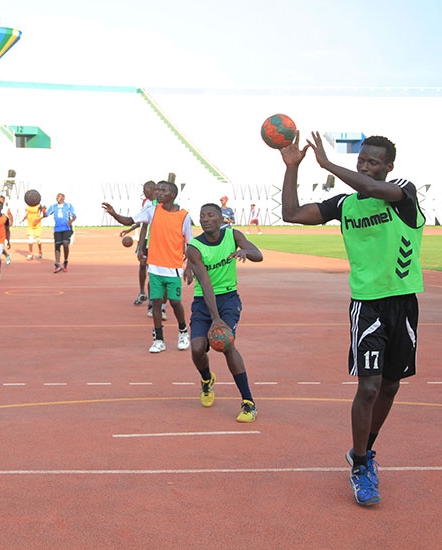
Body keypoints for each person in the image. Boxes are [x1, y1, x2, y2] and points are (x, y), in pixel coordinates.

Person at [280, 132, 425, 507]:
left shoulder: (403, 193)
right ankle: (360, 465)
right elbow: (292, 214)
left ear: (389, 167)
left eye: (373, 162)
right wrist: (292, 169)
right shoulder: (345, 204)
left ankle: (366, 449)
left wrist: (328, 165)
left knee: (391, 387)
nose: (365, 166)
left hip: (403, 304)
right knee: (369, 388)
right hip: (367, 305)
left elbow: (375, 189)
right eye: (362, 160)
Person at [185, 203, 262, 423]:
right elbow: (205, 283)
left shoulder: (233, 235)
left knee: (227, 344)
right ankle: (207, 380)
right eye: (202, 216)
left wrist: (247, 251)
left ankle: (248, 402)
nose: (205, 219)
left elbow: (259, 255)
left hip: (228, 298)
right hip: (204, 301)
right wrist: (215, 318)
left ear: (221, 219)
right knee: (198, 348)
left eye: (210, 215)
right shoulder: (194, 247)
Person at [103, 181, 192, 353]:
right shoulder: (151, 210)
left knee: (175, 302)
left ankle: (183, 331)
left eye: (162, 190)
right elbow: (130, 220)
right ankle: (158, 339)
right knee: (156, 303)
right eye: (157, 190)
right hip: (155, 267)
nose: (158, 193)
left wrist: (189, 266)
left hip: (173, 267)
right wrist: (114, 214)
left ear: (172, 195)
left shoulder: (184, 216)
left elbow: (190, 242)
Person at [118, 181, 158, 306]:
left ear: (152, 189)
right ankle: (142, 292)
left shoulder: (162, 204)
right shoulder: (146, 203)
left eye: (145, 189)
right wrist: (129, 230)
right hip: (145, 239)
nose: (143, 192)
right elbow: (142, 220)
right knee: (142, 264)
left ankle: (154, 299)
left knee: (153, 270)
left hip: (156, 241)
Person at [45, 193, 77, 273]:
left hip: (66, 228)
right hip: (57, 229)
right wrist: (43, 210)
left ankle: (65, 261)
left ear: (63, 197)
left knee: (65, 244)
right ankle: (57, 264)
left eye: (59, 196)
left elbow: (74, 216)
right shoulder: (53, 206)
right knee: (57, 246)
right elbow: (46, 214)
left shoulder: (68, 206)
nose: (57, 198)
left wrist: (70, 221)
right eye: (57, 197)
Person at [0, 195, 13, 265]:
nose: (0, 201)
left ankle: (6, 255)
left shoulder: (6, 208)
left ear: (4, 201)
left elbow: (10, 215)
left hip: (3, 229)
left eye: (1, 200)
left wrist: (11, 222)